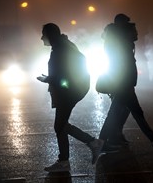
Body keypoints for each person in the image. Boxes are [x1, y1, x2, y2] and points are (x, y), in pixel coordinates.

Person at [37, 23, 104, 172]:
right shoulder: (64, 45)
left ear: (50, 35)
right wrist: (51, 78)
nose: (42, 38)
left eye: (43, 35)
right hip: (73, 89)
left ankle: (87, 146)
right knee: (61, 125)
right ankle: (68, 158)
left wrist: (48, 79)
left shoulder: (59, 50)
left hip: (68, 92)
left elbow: (63, 76)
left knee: (59, 126)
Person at [98, 14, 153, 150]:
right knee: (133, 112)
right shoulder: (118, 42)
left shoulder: (117, 40)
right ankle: (151, 138)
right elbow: (121, 64)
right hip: (123, 84)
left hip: (123, 83)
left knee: (118, 113)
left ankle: (103, 141)